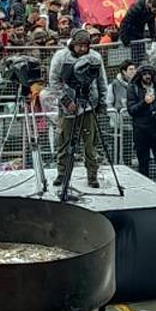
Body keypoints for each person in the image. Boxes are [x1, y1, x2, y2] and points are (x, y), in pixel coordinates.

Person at [48, 29, 109, 200]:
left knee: (90, 143)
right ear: (72, 44)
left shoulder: (95, 57)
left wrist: (102, 102)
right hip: (68, 107)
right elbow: (54, 81)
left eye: (85, 45)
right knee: (64, 142)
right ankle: (62, 173)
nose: (82, 48)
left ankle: (92, 175)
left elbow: (101, 80)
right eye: (79, 45)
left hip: (89, 105)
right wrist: (67, 101)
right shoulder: (61, 57)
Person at [128, 63, 156, 187]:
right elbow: (131, 110)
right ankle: (145, 188)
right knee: (143, 161)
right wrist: (145, 102)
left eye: (149, 74)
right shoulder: (133, 88)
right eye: (144, 74)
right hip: (141, 130)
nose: (147, 76)